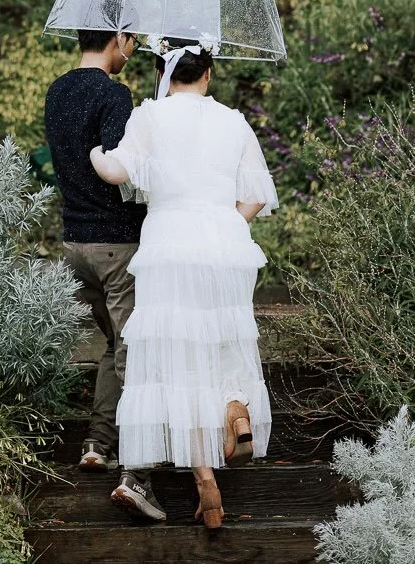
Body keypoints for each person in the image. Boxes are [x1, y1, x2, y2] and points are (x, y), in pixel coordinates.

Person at [89, 38, 278, 529]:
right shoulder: (233, 121)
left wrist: (94, 152)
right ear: (208, 73)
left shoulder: (150, 116)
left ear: (163, 73)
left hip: (170, 245)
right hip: (225, 243)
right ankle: (236, 408)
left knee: (178, 361)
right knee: (222, 343)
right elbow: (257, 193)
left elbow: (117, 172)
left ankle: (205, 480)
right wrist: (225, 224)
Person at [44, 28, 166, 524]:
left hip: (75, 244)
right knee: (135, 351)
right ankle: (137, 472)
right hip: (117, 242)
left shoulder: (57, 90)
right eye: (131, 41)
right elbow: (122, 170)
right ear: (117, 38)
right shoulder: (114, 95)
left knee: (115, 343)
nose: (131, 52)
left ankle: (98, 441)